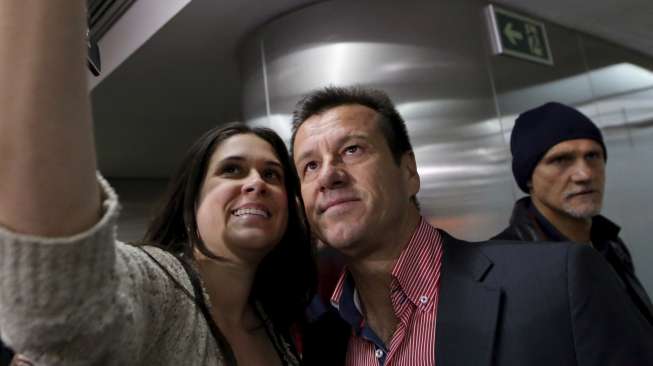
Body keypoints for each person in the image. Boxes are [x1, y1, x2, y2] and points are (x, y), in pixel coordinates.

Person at [0, 2, 314, 365]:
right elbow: (59, 302)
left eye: (272, 173)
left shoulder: (278, 325)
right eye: (232, 170)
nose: (256, 183)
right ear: (192, 202)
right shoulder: (158, 285)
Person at [290, 86, 653, 365]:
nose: (328, 175)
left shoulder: (561, 280)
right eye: (309, 166)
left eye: (352, 150)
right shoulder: (324, 342)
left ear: (409, 172)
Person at [492, 101, 653, 325]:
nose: (584, 174)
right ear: (528, 178)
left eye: (593, 156)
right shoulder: (504, 267)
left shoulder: (610, 244)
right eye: (560, 160)